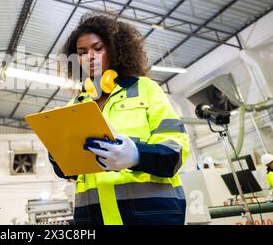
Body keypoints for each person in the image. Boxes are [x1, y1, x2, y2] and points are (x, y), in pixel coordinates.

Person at [48, 13, 190, 225]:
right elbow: (68, 172)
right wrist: (56, 150)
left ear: (115, 49)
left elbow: (176, 152)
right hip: (92, 216)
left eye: (98, 48)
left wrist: (136, 156)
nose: (90, 57)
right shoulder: (76, 105)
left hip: (151, 214)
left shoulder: (145, 88)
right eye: (82, 52)